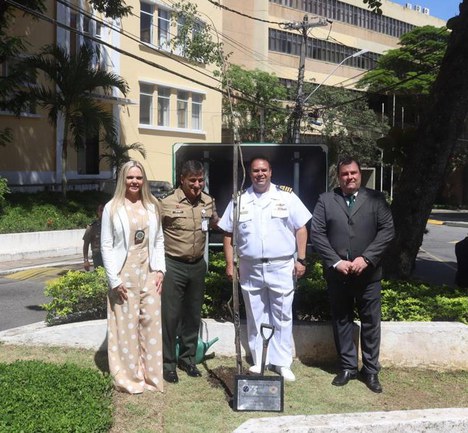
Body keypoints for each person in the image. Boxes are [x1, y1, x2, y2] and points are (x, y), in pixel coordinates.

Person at [218, 155, 311, 382]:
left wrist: (301, 259)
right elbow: (228, 233)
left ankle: (282, 362)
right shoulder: (240, 200)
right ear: (250, 174)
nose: (260, 174)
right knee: (255, 314)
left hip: (281, 265)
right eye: (255, 171)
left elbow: (301, 228)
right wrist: (230, 264)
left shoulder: (286, 197)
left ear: (271, 172)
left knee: (282, 314)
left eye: (264, 170)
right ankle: (260, 359)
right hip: (250, 266)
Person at [310, 156, 394, 393]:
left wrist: (366, 258)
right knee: (342, 320)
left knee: (371, 323)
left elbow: (387, 231)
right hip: (338, 275)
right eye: (345, 174)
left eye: (353, 173)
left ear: (360, 174)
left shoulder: (376, 199)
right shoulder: (326, 200)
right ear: (339, 177)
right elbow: (317, 233)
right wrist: (336, 262)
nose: (350, 177)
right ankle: (347, 367)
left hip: (369, 275)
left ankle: (370, 370)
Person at [101, 160, 166, 394]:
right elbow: (106, 245)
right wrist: (114, 280)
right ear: (123, 180)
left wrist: (160, 270)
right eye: (130, 177)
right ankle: (129, 378)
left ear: (143, 180)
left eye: (138, 177)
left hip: (149, 270)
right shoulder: (112, 207)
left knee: (151, 323)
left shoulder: (152, 205)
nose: (134, 182)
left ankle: (151, 377)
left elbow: (159, 240)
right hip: (124, 272)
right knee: (126, 327)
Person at [159, 160, 219, 384]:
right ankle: (168, 363)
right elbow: (154, 233)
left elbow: (216, 224)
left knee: (193, 315)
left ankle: (187, 359)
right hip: (173, 265)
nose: (197, 185)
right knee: (170, 316)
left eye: (200, 180)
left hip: (197, 265)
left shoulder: (208, 201)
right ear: (182, 180)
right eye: (192, 180)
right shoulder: (166, 203)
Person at [83, 204, 104, 271]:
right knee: (100, 275)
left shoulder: (113, 225)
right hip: (98, 257)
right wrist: (86, 260)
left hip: (111, 255)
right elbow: (86, 244)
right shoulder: (92, 227)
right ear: (98, 212)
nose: (103, 212)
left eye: (105, 210)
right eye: (101, 210)